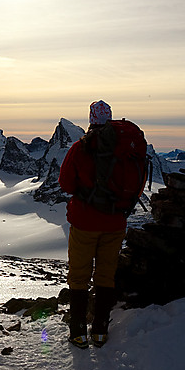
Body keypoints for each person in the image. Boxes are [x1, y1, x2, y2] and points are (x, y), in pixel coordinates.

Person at [58, 100, 127, 349]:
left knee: (79, 276)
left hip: (85, 221)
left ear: (91, 119)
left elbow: (65, 183)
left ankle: (78, 331)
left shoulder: (81, 147)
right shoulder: (125, 148)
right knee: (106, 275)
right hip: (115, 222)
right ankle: (100, 331)